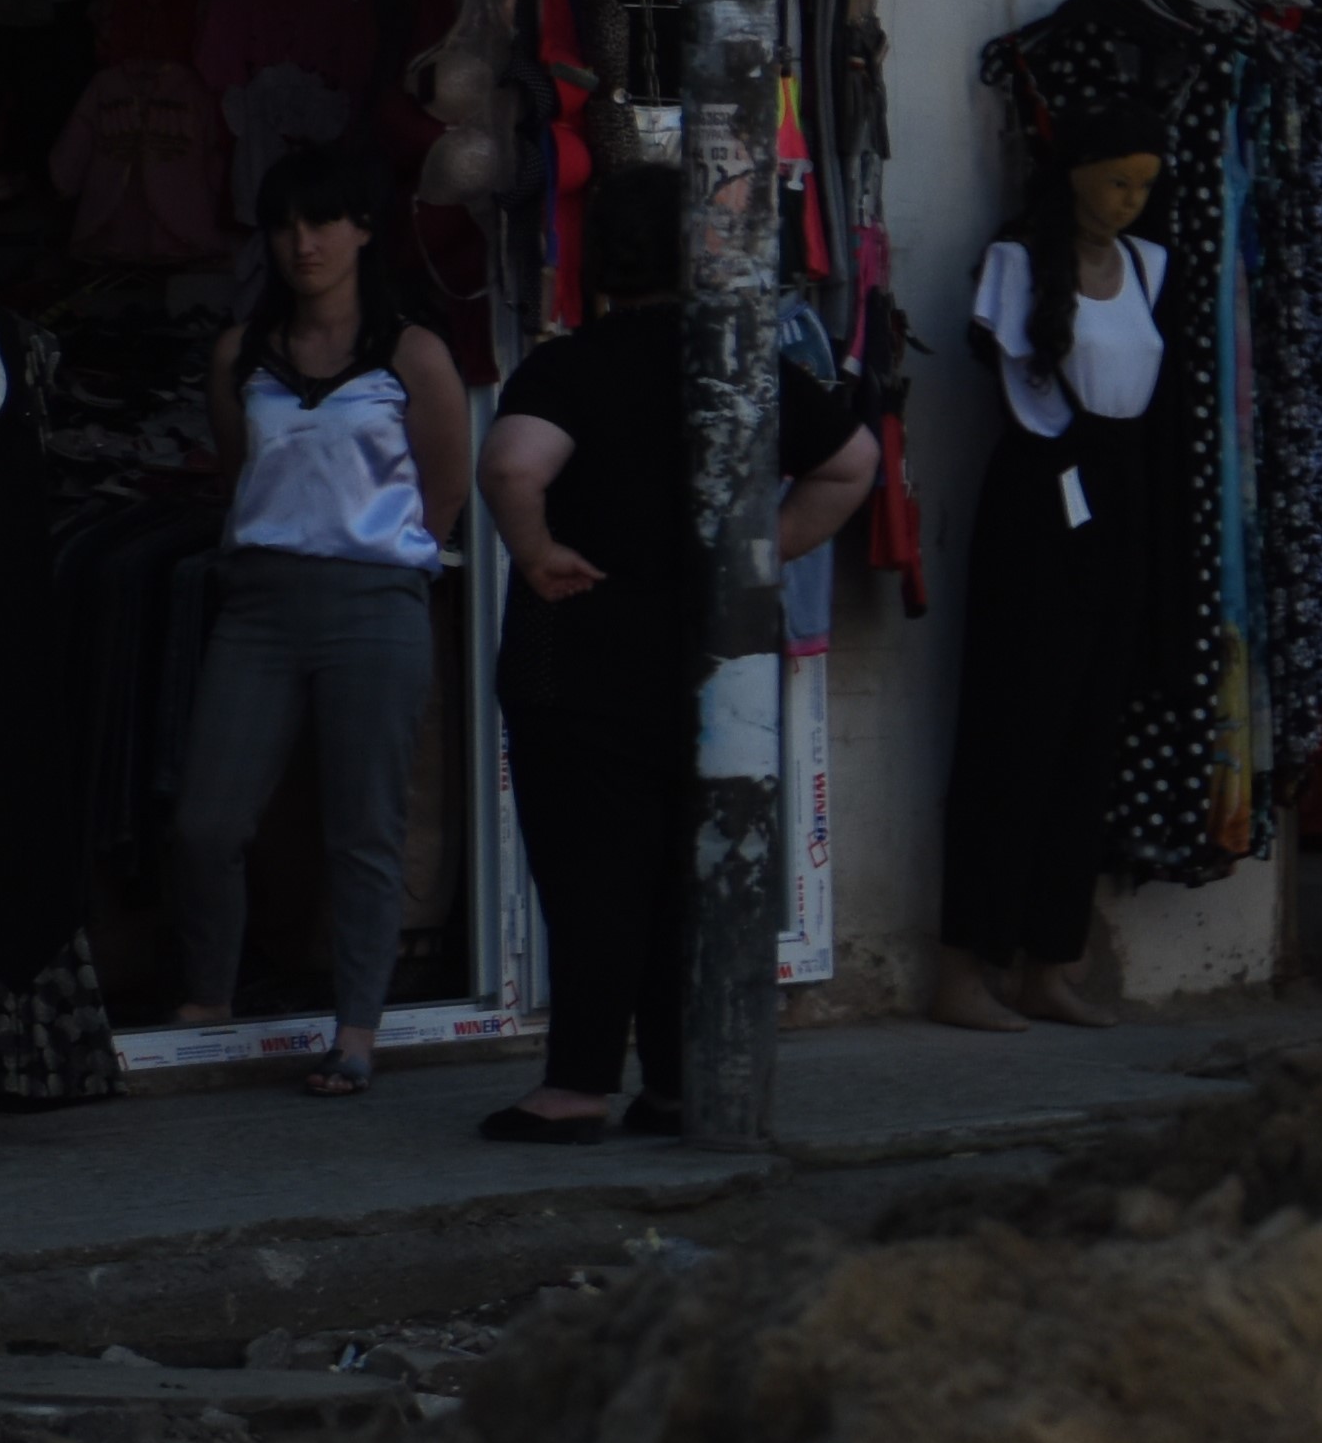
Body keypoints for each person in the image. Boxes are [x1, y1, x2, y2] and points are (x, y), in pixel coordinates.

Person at [481, 165, 886, 1141]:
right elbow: (853, 462)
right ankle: (673, 1082)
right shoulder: (739, 368)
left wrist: (537, 553)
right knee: (680, 883)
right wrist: (757, 553)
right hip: (708, 663)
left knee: (591, 882)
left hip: (577, 660)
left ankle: (576, 1084)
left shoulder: (567, 367)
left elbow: (509, 465)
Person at [169, 145, 474, 1097]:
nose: (307, 243)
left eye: (327, 221)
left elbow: (446, 488)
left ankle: (355, 1028)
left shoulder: (412, 354)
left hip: (373, 602)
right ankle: (210, 994)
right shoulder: (241, 352)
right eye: (289, 224)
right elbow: (238, 470)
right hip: (260, 599)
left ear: (365, 230)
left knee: (364, 825)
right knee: (206, 821)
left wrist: (388, 559)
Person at [933, 98, 1181, 1030]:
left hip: (1123, 495)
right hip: (1043, 492)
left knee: (1090, 737)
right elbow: (1027, 401)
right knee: (1012, 731)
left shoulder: (1152, 268)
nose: (1128, 200)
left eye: (1143, 186)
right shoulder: (1014, 265)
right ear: (1073, 171)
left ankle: (1050, 963)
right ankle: (964, 970)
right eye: (1116, 179)